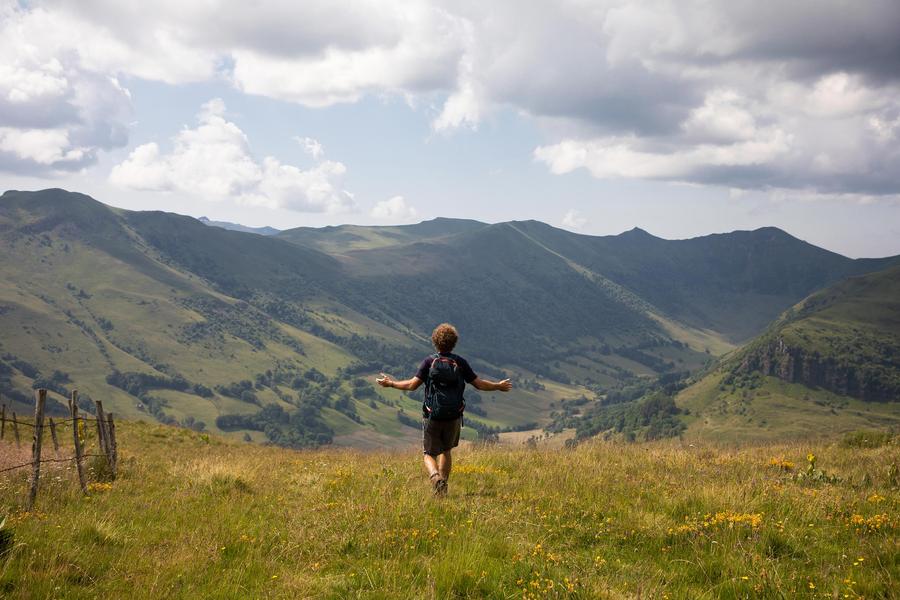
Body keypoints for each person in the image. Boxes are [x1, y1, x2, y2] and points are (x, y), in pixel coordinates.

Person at [376, 323, 512, 496]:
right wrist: (498, 386)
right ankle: (442, 488)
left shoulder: (429, 362)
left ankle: (435, 478)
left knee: (428, 453)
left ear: (435, 341)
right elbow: (479, 384)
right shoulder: (460, 362)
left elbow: (411, 385)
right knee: (446, 451)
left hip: (432, 415)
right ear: (454, 342)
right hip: (454, 416)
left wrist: (391, 384)